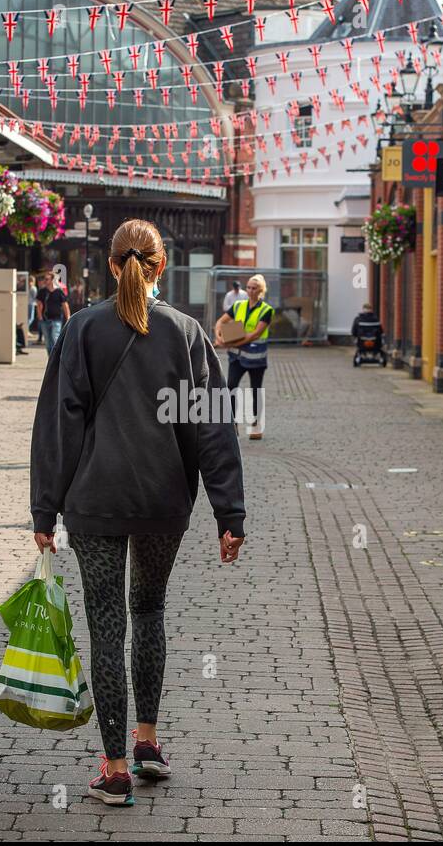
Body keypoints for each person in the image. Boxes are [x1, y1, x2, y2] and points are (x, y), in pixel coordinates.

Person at [31, 218, 246, 807]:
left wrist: (44, 510)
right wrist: (230, 515)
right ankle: (148, 742)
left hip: (95, 503)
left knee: (107, 624)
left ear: (110, 262)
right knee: (148, 609)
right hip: (161, 502)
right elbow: (213, 429)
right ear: (161, 264)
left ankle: (116, 767)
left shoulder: (81, 330)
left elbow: (58, 425)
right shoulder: (187, 333)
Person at [214, 274, 273, 440]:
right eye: (248, 287)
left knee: (255, 391)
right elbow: (220, 322)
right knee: (230, 387)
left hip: (256, 359)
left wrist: (230, 343)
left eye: (254, 288)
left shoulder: (267, 310)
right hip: (237, 358)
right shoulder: (238, 305)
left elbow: (255, 334)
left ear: (261, 291)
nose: (250, 290)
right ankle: (233, 425)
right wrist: (219, 336)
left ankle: (256, 426)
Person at [37, 272, 71, 357]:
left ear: (52, 280)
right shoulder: (42, 291)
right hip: (45, 320)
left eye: (47, 279)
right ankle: (51, 359)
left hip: (56, 319)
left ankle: (56, 359)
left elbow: (65, 305)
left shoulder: (59, 292)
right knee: (48, 343)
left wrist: (68, 318)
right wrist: (40, 317)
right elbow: (39, 304)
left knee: (55, 339)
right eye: (44, 279)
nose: (45, 281)